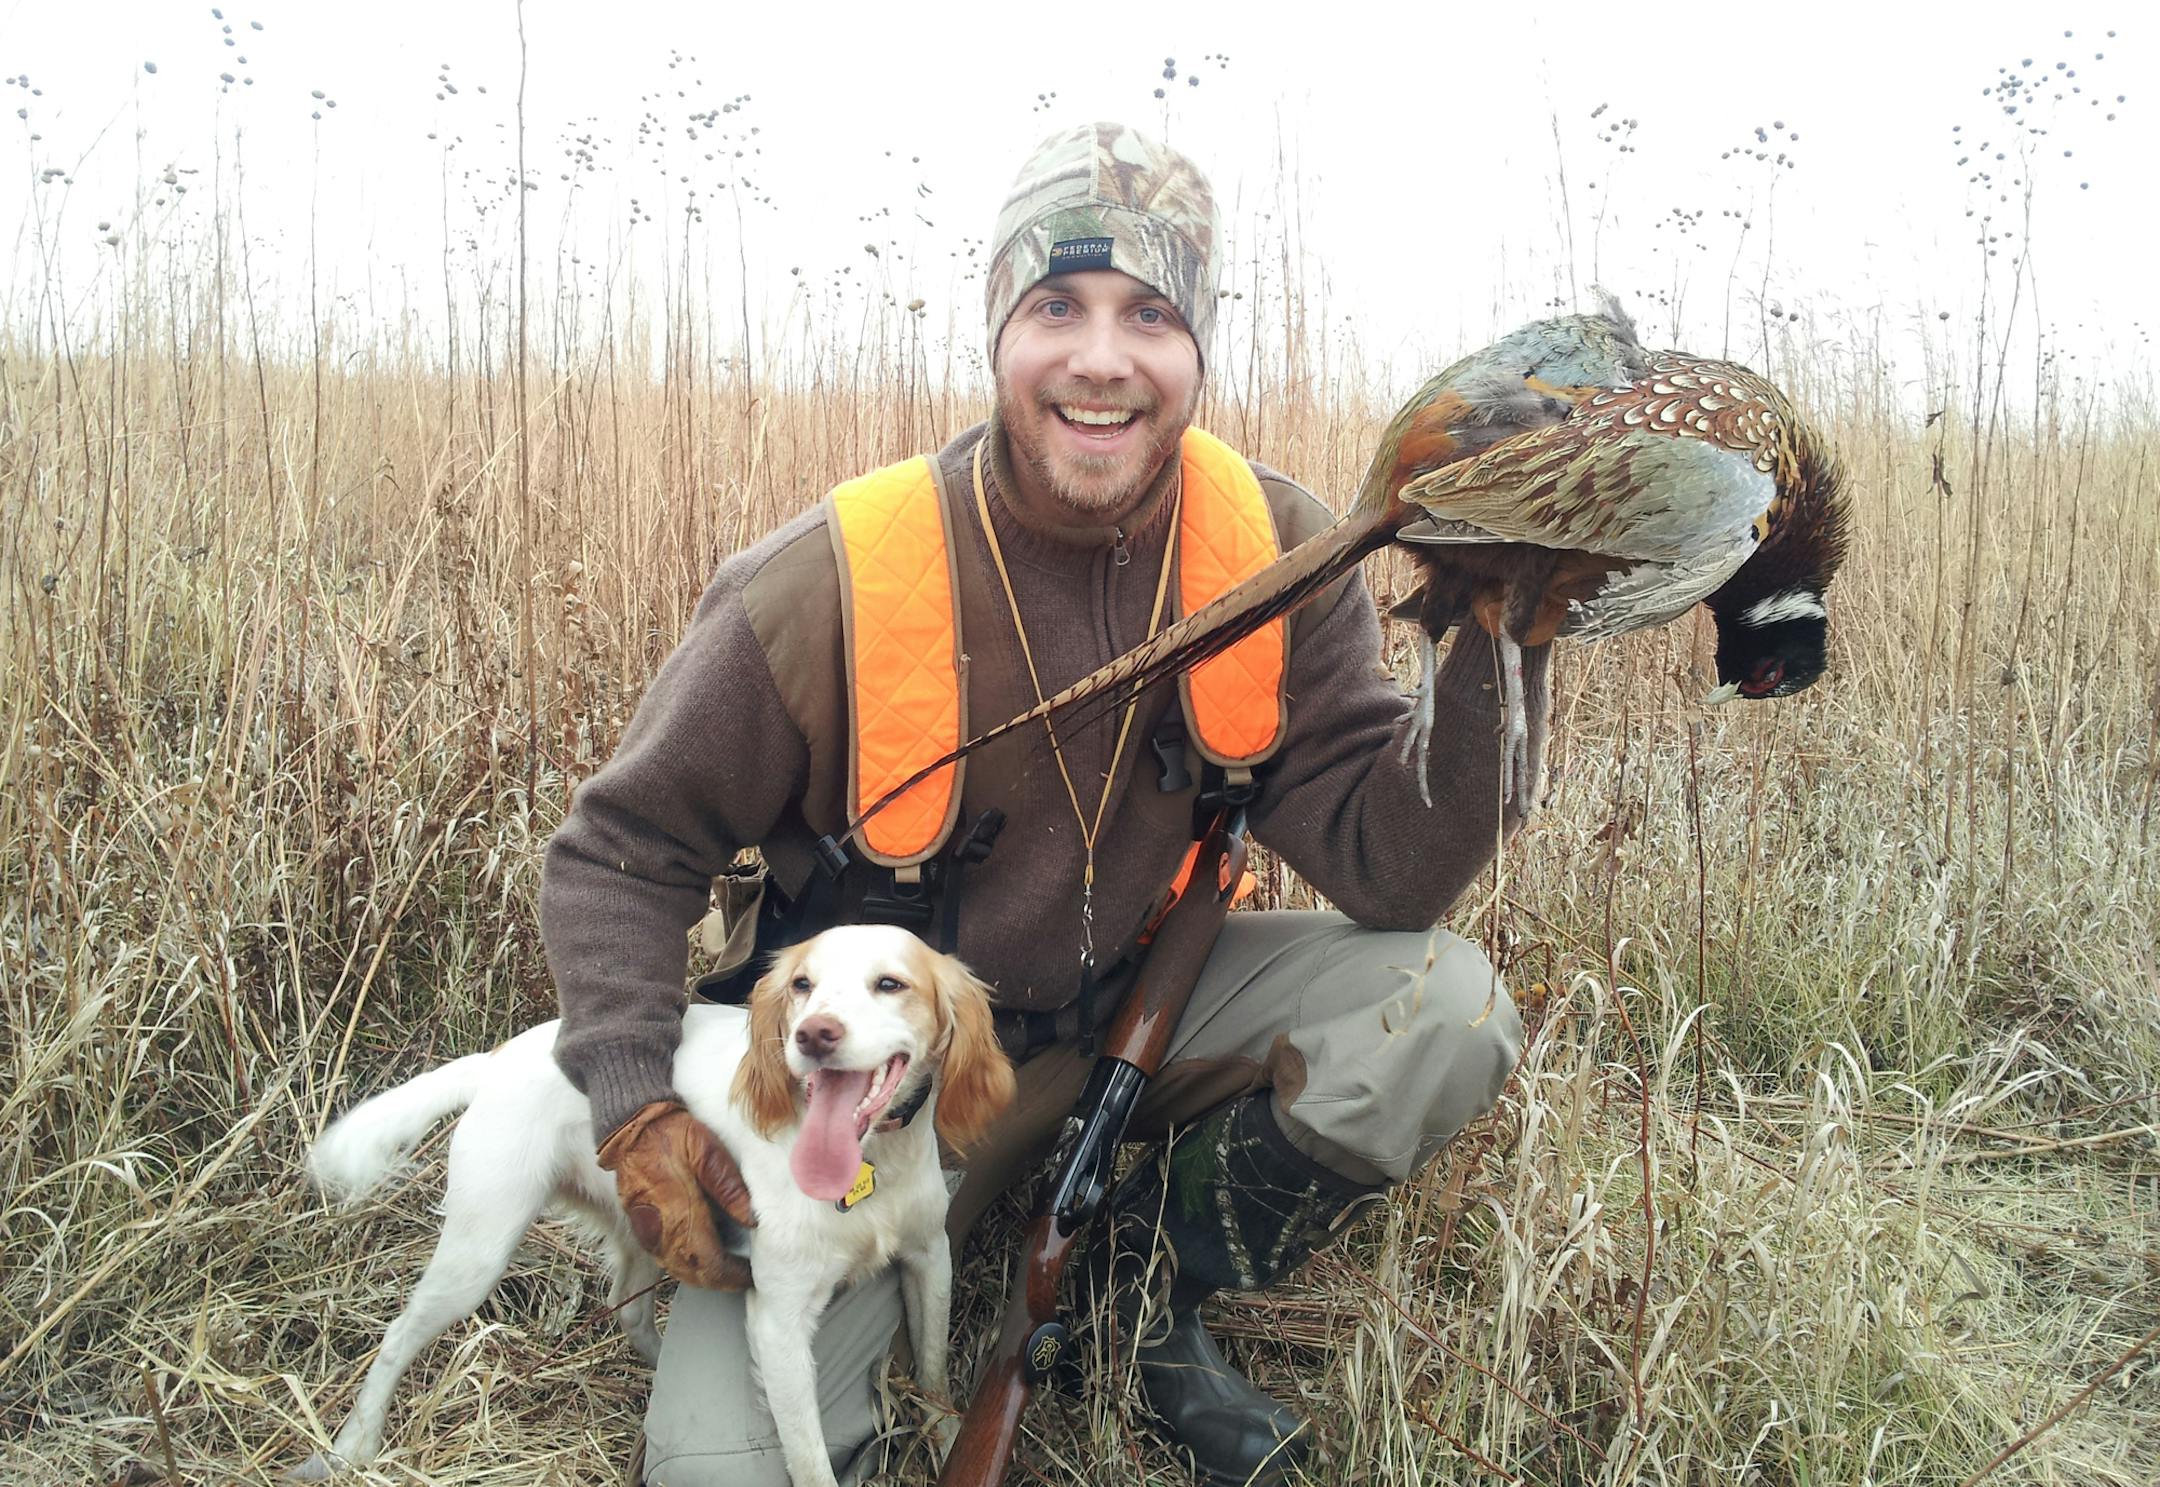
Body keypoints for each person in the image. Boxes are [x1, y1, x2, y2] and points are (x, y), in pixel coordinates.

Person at [541, 120, 1546, 1487]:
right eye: (1054, 307)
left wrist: (1503, 626)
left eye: (1150, 314)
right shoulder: (830, 577)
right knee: (724, 1467)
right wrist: (633, 1106)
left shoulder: (1280, 546)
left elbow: (1395, 872)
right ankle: (978, 1245)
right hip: (877, 1089)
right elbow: (620, 849)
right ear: (998, 334)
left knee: (1448, 1007)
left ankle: (1137, 1295)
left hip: (1138, 1015)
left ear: (1196, 349)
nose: (1099, 358)